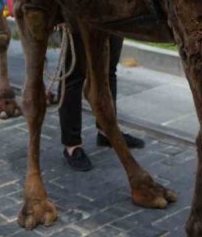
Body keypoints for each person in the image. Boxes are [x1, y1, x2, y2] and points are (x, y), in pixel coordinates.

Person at [59, 29, 145, 171]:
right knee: (74, 73)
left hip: (111, 13)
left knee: (109, 68)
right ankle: (71, 144)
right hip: (78, 12)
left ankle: (107, 131)